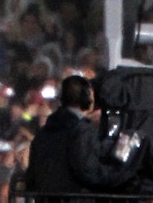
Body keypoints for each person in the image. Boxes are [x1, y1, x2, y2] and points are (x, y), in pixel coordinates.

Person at [23, 74, 136, 202]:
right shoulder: (82, 131)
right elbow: (90, 173)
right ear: (86, 98)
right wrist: (123, 172)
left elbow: (31, 179)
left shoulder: (43, 133)